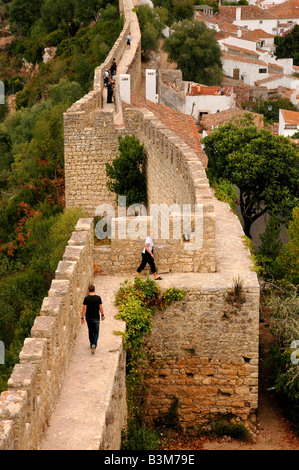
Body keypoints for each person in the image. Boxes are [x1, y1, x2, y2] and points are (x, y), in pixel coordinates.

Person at [81, 285, 105, 354]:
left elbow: (84, 309)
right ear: (94, 290)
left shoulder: (86, 298)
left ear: (88, 291)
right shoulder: (98, 298)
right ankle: (94, 343)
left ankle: (91, 344)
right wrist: (102, 315)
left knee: (90, 331)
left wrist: (82, 318)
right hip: (96, 318)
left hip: (88, 317)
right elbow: (100, 307)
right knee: (96, 331)